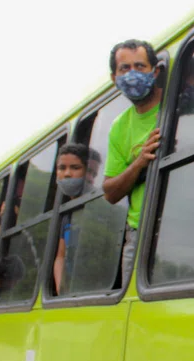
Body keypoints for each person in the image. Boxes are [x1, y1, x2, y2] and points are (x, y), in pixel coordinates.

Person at [102, 39, 163, 286]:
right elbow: (110, 192)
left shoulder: (178, 106)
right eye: (124, 69)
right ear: (113, 77)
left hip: (175, 223)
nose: (132, 74)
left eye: (140, 66)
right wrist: (139, 163)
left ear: (155, 71)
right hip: (138, 231)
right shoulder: (119, 127)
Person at [53, 142, 92, 293]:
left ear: (86, 171)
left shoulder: (97, 204)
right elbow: (61, 256)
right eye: (62, 168)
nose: (67, 174)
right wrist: (62, 291)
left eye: (75, 168)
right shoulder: (67, 213)